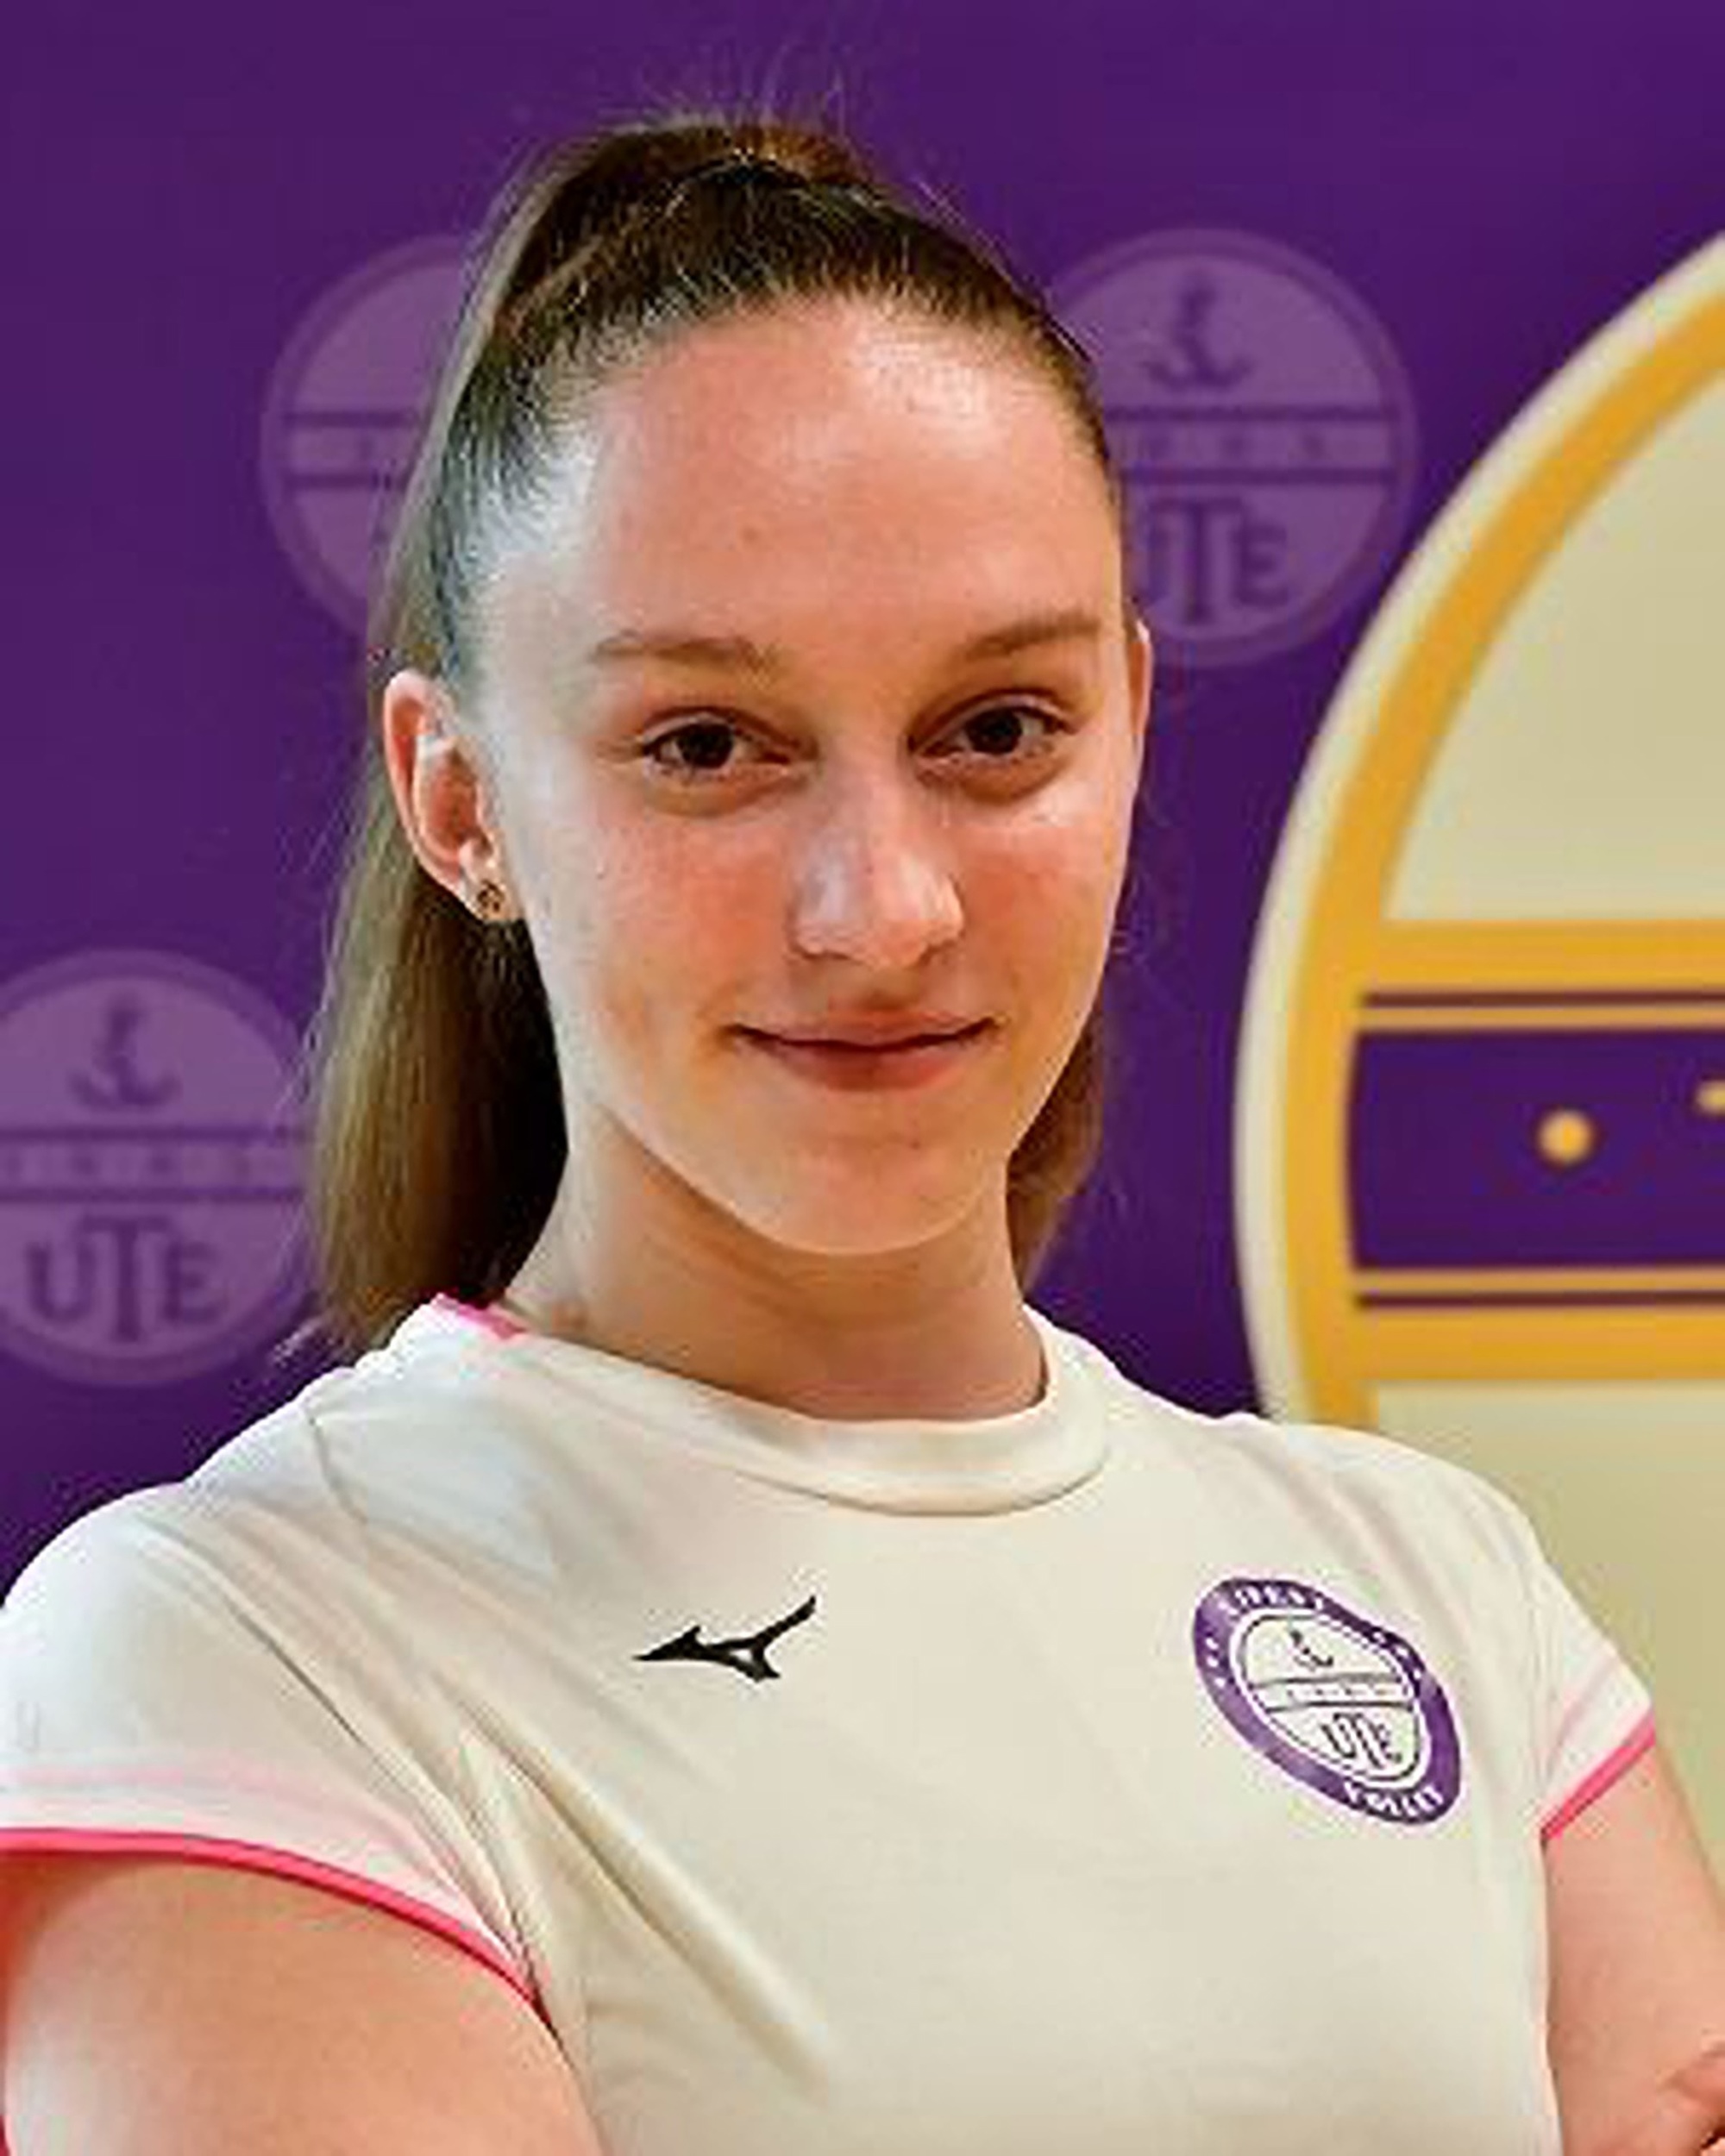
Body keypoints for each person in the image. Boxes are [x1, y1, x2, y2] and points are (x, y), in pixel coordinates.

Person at [2, 100, 1722, 2156]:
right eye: (706, 744)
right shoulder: (240, 1643)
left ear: (1130, 724)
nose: (883, 909)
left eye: (996, 729)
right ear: (461, 802)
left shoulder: (1439, 1588)